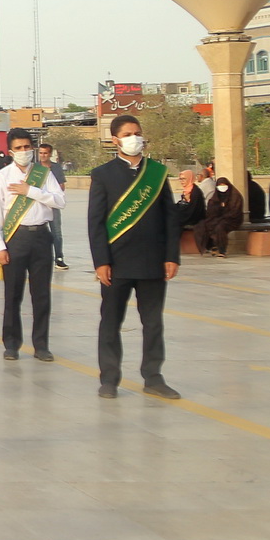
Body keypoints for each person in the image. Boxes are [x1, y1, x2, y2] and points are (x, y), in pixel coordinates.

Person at [85, 115, 182, 400]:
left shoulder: (157, 173)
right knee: (111, 322)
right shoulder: (103, 174)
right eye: (127, 134)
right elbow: (96, 222)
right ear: (114, 140)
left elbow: (170, 218)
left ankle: (153, 377)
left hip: (153, 261)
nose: (134, 138)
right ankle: (109, 379)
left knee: (153, 323)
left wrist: (171, 256)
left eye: (137, 132)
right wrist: (101, 261)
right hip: (116, 263)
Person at [0, 129, 65, 362]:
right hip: (15, 239)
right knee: (13, 295)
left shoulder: (43, 174)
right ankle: (11, 344)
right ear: (11, 151)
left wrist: (31, 191)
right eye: (18, 148)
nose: (24, 152)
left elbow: (60, 201)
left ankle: (41, 345)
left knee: (41, 295)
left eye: (27, 147)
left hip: (41, 237)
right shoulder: (1, 177)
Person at [39, 142, 69, 269]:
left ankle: (59, 257)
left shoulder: (56, 168)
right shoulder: (35, 168)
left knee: (56, 232)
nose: (43, 156)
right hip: (39, 204)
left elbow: (61, 186)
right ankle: (40, 257)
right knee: (39, 231)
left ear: (50, 154)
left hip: (53, 204)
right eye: (41, 153)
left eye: (45, 153)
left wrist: (52, 191)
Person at [202, 174, 244, 257]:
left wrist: (222, 215)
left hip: (232, 219)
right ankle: (211, 246)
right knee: (207, 224)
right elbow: (211, 209)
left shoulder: (235, 196)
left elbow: (235, 211)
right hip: (219, 218)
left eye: (224, 185)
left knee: (220, 227)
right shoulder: (216, 196)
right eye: (220, 185)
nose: (222, 187)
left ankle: (222, 250)